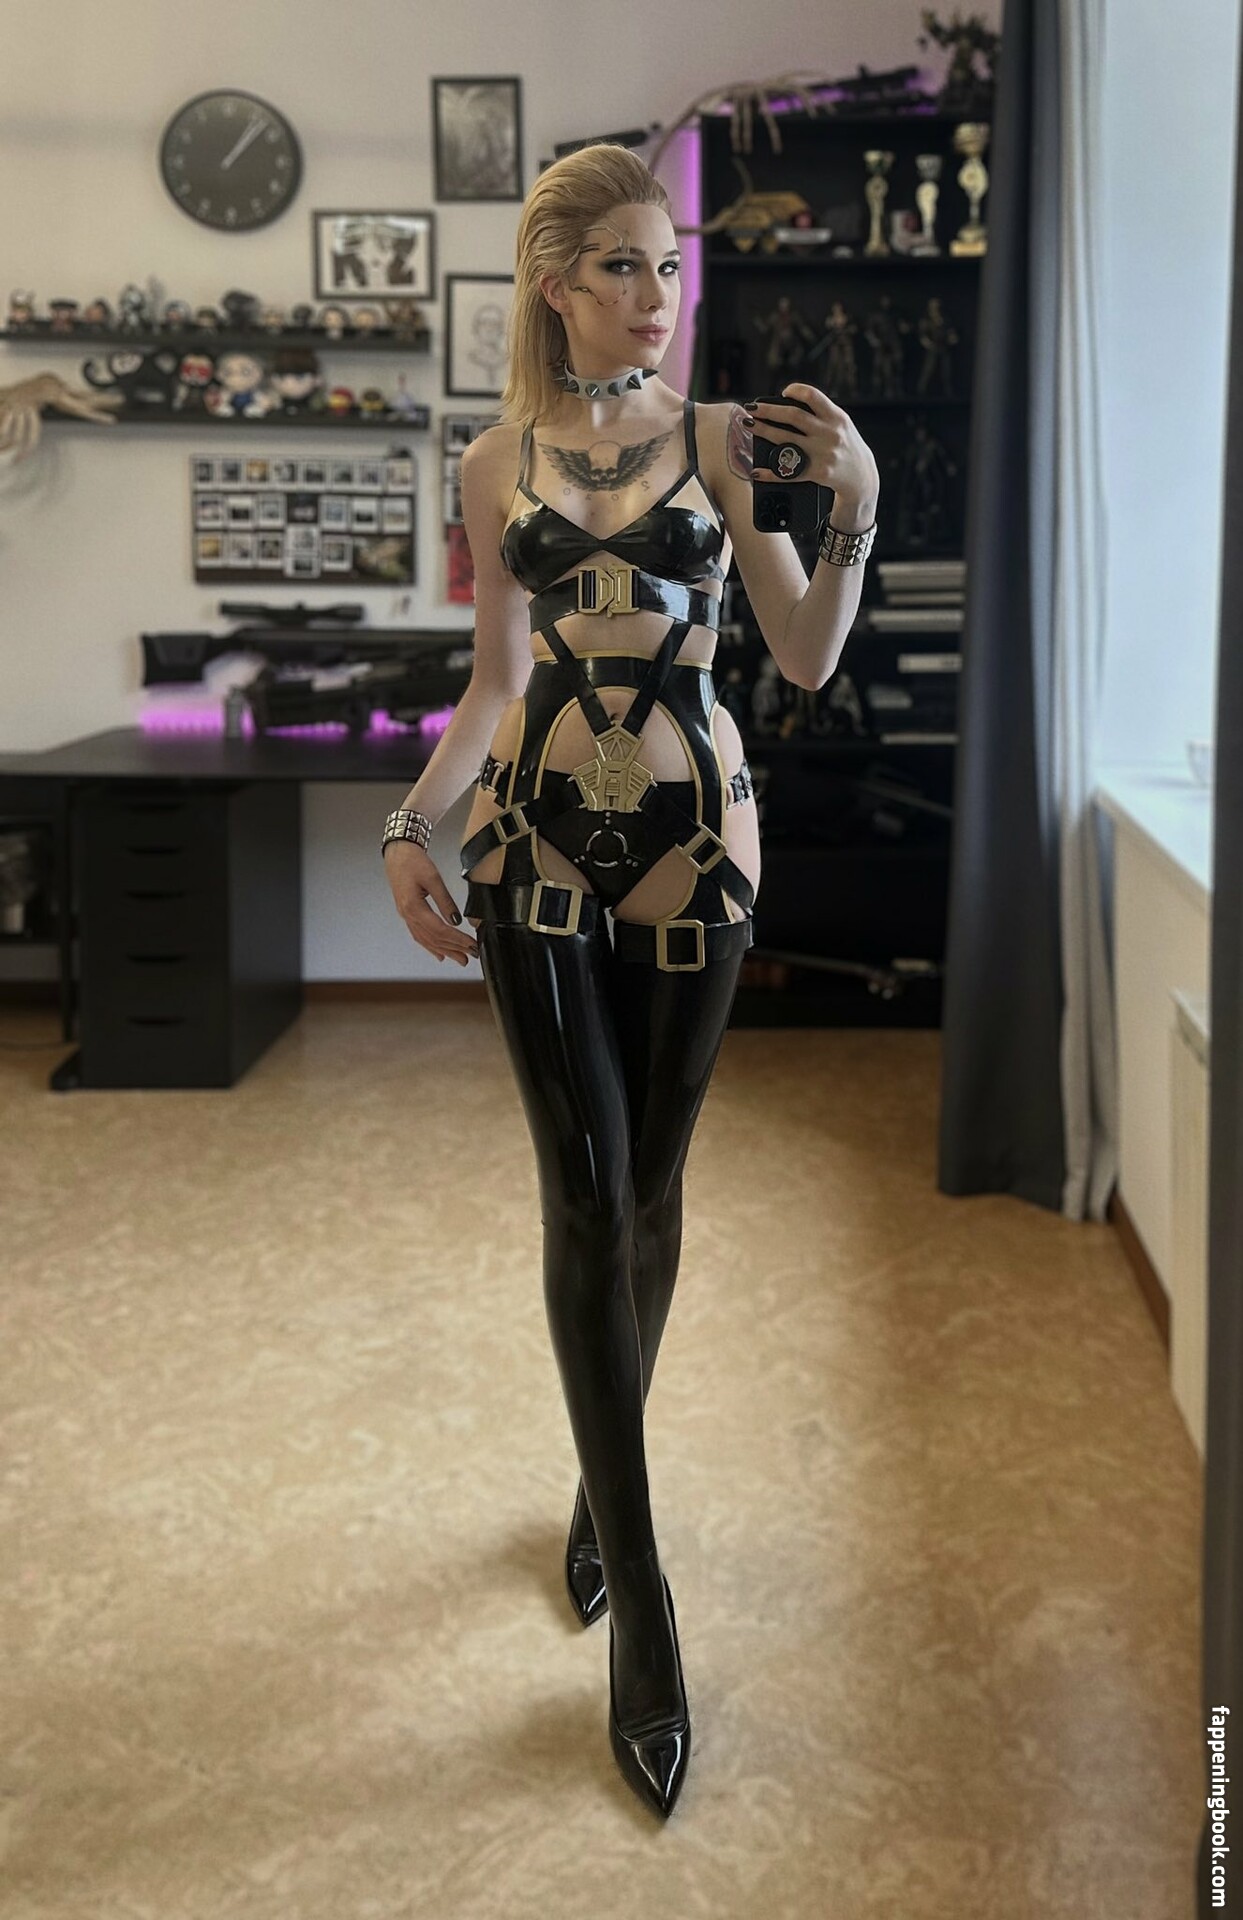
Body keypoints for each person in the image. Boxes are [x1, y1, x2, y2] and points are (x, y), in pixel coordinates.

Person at [382, 143, 879, 1818]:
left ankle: (602, 1489)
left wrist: (859, 504)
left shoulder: (724, 442)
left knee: (651, 1187)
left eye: (668, 266)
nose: (657, 295)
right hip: (531, 839)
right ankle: (644, 1605)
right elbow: (490, 684)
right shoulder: (491, 462)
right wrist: (411, 825)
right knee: (586, 1191)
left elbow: (801, 654)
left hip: (699, 843)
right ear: (555, 282)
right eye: (621, 266)